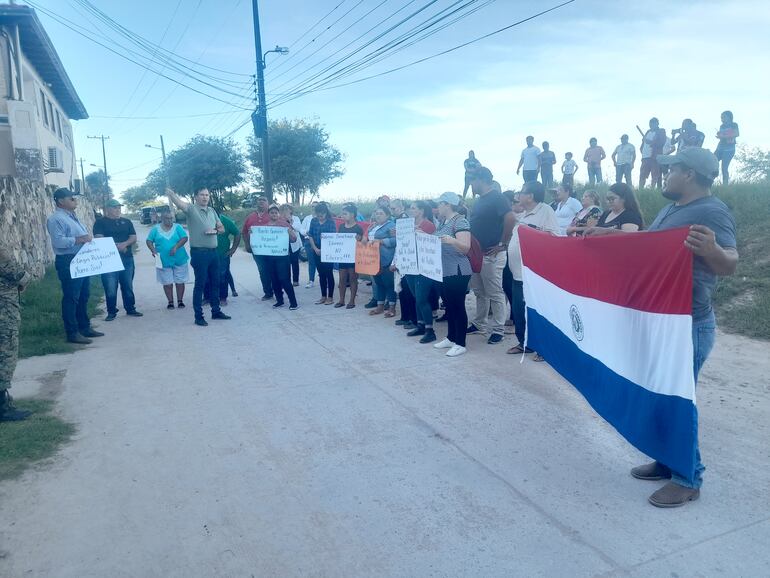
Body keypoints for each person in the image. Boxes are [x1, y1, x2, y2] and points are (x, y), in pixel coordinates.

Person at [587, 147, 737, 508]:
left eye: (670, 170)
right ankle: (666, 460)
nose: (663, 175)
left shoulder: (712, 211)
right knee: (658, 393)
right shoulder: (673, 209)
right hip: (663, 320)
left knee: (678, 402)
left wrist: (714, 250)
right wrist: (610, 238)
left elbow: (729, 263)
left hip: (689, 324)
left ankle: (688, 477)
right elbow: (648, 245)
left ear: (689, 174)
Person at [506, 181, 559, 360]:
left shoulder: (545, 211)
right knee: (519, 311)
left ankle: (544, 349)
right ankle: (525, 343)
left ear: (531, 196)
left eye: (521, 192)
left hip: (534, 274)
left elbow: (554, 237)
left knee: (538, 312)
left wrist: (532, 231)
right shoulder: (525, 213)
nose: (518, 196)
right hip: (517, 273)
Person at [46, 188, 104, 344]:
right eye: (71, 198)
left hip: (81, 260)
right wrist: (80, 239)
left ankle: (84, 327)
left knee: (84, 295)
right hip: (68, 260)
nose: (75, 200)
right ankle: (72, 332)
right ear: (60, 201)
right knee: (72, 297)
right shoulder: (56, 219)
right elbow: (58, 242)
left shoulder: (72, 217)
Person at [166, 187, 231, 327]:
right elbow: (179, 203)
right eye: (202, 195)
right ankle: (198, 316)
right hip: (199, 253)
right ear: (195, 197)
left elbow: (222, 229)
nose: (205, 197)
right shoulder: (191, 209)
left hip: (214, 253)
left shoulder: (212, 211)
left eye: (207, 195)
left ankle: (216, 311)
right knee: (200, 284)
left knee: (216, 282)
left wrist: (214, 231)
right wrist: (171, 194)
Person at [468, 166, 516, 345]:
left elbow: (510, 218)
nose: (470, 184)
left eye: (472, 180)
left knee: (494, 292)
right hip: (477, 253)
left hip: (491, 253)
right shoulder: (480, 200)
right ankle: (480, 323)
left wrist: (502, 244)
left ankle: (498, 329)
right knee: (480, 292)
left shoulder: (497, 197)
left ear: (481, 179)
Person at [432, 192, 472, 357]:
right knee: (450, 305)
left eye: (440, 204)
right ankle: (451, 337)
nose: (437, 207)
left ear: (447, 204)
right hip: (445, 270)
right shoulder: (443, 222)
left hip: (457, 270)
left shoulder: (460, 221)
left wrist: (452, 240)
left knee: (458, 306)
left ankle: (460, 343)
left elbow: (465, 247)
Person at [93, 199, 142, 321]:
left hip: (127, 259)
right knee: (110, 287)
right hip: (109, 260)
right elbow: (99, 239)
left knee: (127, 285)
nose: (118, 209)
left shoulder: (127, 221)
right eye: (115, 207)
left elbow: (133, 237)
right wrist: (118, 247)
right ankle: (111, 311)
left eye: (119, 207)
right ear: (108, 209)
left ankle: (130, 308)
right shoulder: (100, 223)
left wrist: (125, 244)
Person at [0, 244, 33, 422]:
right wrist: (25, 278)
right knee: (5, 352)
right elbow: (13, 271)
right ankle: (2, 409)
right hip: (3, 309)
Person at [404, 201, 438, 343]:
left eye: (414, 208)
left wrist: (418, 232)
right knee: (416, 297)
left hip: (423, 266)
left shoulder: (428, 225)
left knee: (422, 298)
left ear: (421, 210)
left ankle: (430, 330)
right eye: (410, 208)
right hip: (410, 263)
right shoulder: (407, 224)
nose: (411, 210)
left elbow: (429, 242)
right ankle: (421, 325)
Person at [146, 211, 189, 309]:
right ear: (162, 219)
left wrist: (176, 247)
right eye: (167, 218)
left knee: (180, 281)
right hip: (163, 259)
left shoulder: (177, 227)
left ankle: (180, 301)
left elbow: (184, 238)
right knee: (167, 282)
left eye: (171, 218)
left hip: (179, 258)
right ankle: (170, 302)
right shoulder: (155, 229)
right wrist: (153, 250)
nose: (169, 220)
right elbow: (149, 241)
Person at [264, 204, 298, 310]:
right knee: (274, 280)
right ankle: (279, 301)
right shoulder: (265, 227)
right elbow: (260, 239)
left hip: (283, 257)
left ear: (279, 214)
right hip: (270, 257)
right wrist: (254, 233)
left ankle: (293, 302)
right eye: (272, 212)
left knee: (284, 279)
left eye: (276, 212)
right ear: (268, 214)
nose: (274, 214)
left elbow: (294, 239)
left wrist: (289, 233)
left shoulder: (284, 224)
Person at [241, 196, 273, 300]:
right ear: (256, 203)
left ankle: (277, 290)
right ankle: (268, 292)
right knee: (262, 271)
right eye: (259, 200)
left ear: (268, 203)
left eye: (264, 200)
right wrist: (247, 245)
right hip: (257, 250)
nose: (261, 202)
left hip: (272, 250)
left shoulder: (273, 215)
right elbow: (244, 232)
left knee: (273, 270)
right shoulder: (250, 217)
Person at [367, 207, 397, 316]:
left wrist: (381, 241)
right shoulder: (374, 226)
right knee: (379, 283)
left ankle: (392, 308)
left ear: (387, 215)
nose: (378, 215)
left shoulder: (391, 226)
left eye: (381, 213)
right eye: (376, 213)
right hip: (374, 260)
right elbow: (368, 239)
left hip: (386, 259)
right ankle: (380, 306)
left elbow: (396, 240)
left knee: (389, 284)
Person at [306, 202, 338, 305]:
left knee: (328, 273)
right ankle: (323, 296)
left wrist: (324, 249)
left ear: (326, 213)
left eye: (322, 215)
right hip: (316, 249)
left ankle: (330, 297)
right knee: (321, 274)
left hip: (328, 250)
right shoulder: (313, 221)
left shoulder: (330, 222)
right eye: (318, 215)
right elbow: (310, 235)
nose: (320, 217)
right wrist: (315, 248)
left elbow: (332, 238)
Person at [335, 204, 363, 309]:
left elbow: (362, 243)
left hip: (354, 257)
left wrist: (359, 239)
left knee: (353, 278)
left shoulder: (358, 228)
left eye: (345, 214)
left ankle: (352, 300)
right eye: (342, 214)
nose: (343, 216)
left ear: (352, 215)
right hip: (343, 257)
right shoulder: (341, 227)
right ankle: (341, 300)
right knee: (342, 278)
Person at [214, 212, 240, 305]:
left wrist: (233, 249)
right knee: (207, 276)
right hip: (207, 253)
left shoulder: (225, 221)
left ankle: (223, 297)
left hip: (222, 254)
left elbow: (237, 233)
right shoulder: (203, 220)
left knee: (222, 275)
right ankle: (208, 297)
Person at [639, 117, 667, 189]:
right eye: (650, 123)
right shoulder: (648, 132)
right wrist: (642, 149)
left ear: (657, 123)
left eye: (653, 123)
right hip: (645, 157)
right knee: (642, 174)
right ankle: (640, 189)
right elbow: (643, 142)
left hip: (654, 156)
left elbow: (662, 142)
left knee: (655, 175)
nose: (651, 125)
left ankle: (652, 190)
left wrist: (651, 142)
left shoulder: (661, 131)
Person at [714, 110, 739, 185]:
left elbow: (737, 134)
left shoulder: (734, 124)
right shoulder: (722, 126)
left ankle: (725, 185)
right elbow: (722, 135)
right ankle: (708, 182)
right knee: (712, 161)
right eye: (721, 117)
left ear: (729, 117)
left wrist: (723, 136)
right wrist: (719, 135)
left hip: (729, 149)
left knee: (724, 167)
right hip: (720, 147)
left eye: (724, 117)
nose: (722, 119)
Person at [280, 204, 302, 287]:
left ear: (291, 210)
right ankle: (287, 280)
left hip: (295, 243)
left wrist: (290, 220)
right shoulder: (280, 219)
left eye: (287, 209)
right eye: (284, 209)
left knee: (294, 261)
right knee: (286, 263)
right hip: (284, 243)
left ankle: (296, 280)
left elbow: (298, 228)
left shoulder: (296, 218)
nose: (286, 210)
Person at [300, 201, 318, 288]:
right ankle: (311, 280)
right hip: (308, 241)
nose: (314, 208)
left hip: (319, 242)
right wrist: (306, 232)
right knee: (311, 262)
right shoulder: (307, 218)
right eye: (312, 206)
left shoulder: (321, 218)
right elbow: (301, 229)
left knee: (322, 262)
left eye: (316, 206)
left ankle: (324, 279)